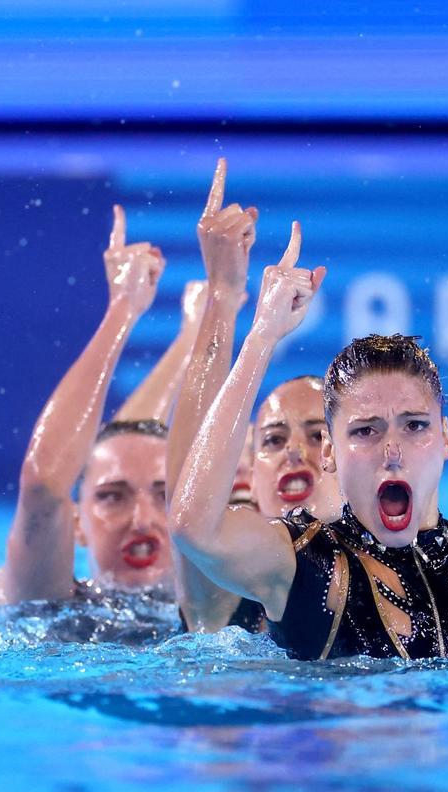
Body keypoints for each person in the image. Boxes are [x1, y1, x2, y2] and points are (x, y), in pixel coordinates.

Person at [168, 221, 448, 659]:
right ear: (332, 452)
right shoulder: (303, 572)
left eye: (415, 425)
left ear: (445, 438)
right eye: (366, 431)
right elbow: (192, 524)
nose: (392, 451)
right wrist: (260, 335)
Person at [0, 204, 198, 615]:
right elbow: (45, 486)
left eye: (164, 495)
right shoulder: (46, 600)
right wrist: (124, 309)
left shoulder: (232, 606)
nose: (141, 520)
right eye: (112, 497)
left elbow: (127, 443)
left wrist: (193, 337)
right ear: (77, 522)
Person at [166, 159, 341, 635]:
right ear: (247, 472)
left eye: (317, 434)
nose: (294, 453)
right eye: (273, 440)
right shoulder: (225, 593)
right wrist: (224, 294)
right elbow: (188, 490)